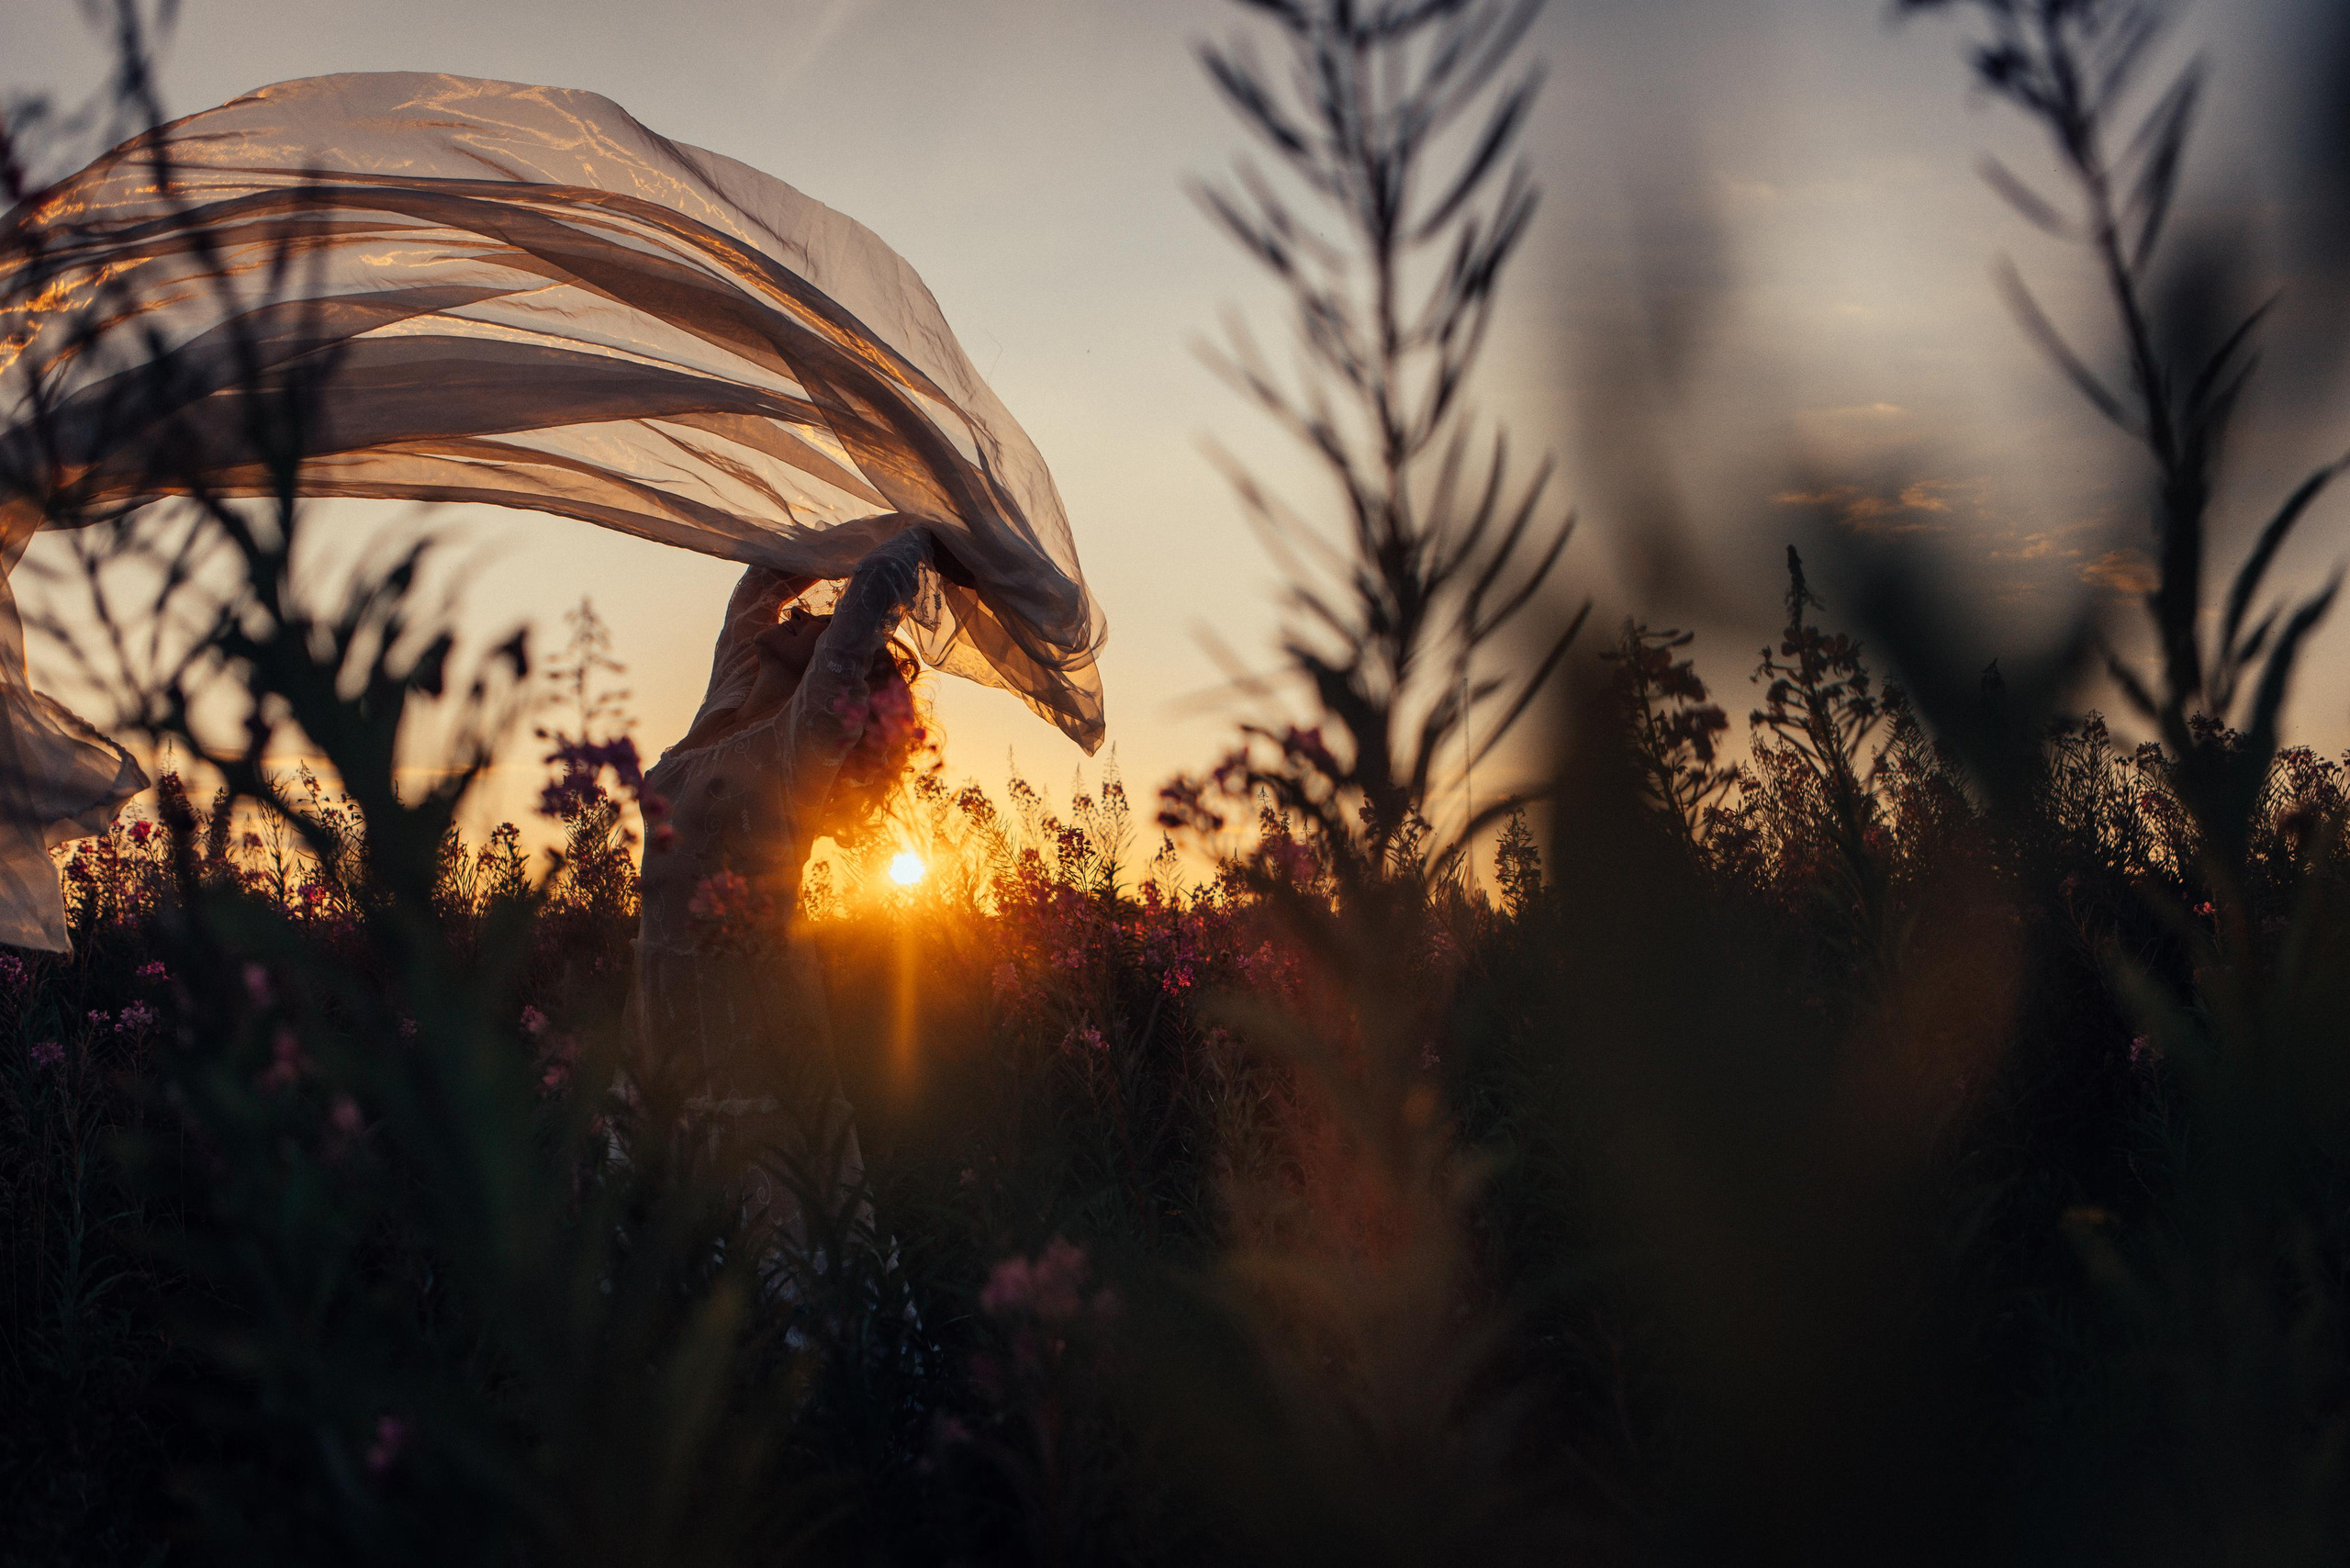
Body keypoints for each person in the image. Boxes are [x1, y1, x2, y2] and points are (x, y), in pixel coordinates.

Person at [630, 523, 937, 1278]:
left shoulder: (804, 743)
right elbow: (760, 585)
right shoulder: (728, 706)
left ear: (842, 676)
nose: (805, 616)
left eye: (823, 627)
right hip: (660, 1056)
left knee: (771, 1299)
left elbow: (876, 588)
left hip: (751, 1053)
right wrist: (854, 529)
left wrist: (927, 525)